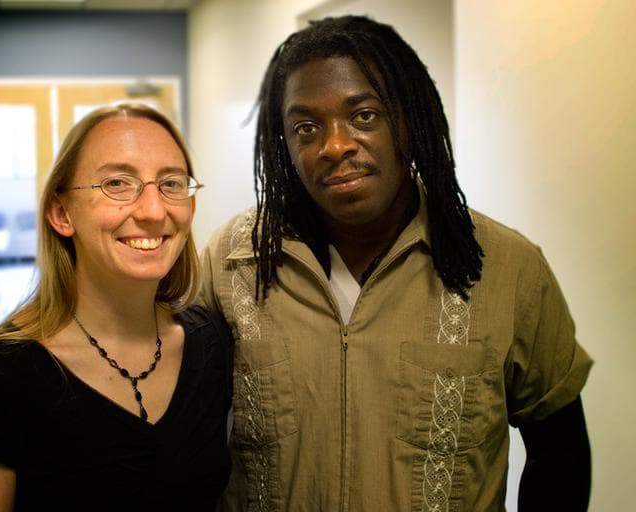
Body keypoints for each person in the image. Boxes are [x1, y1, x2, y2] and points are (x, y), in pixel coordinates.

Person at [199, 15, 593, 511]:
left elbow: (559, 449)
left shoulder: (508, 268)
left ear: (407, 121)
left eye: (363, 116)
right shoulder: (232, 264)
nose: (335, 145)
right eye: (306, 127)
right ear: (284, 146)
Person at [0, 103, 233, 510]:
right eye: (117, 183)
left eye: (171, 184)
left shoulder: (210, 343)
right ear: (61, 213)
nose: (153, 211)